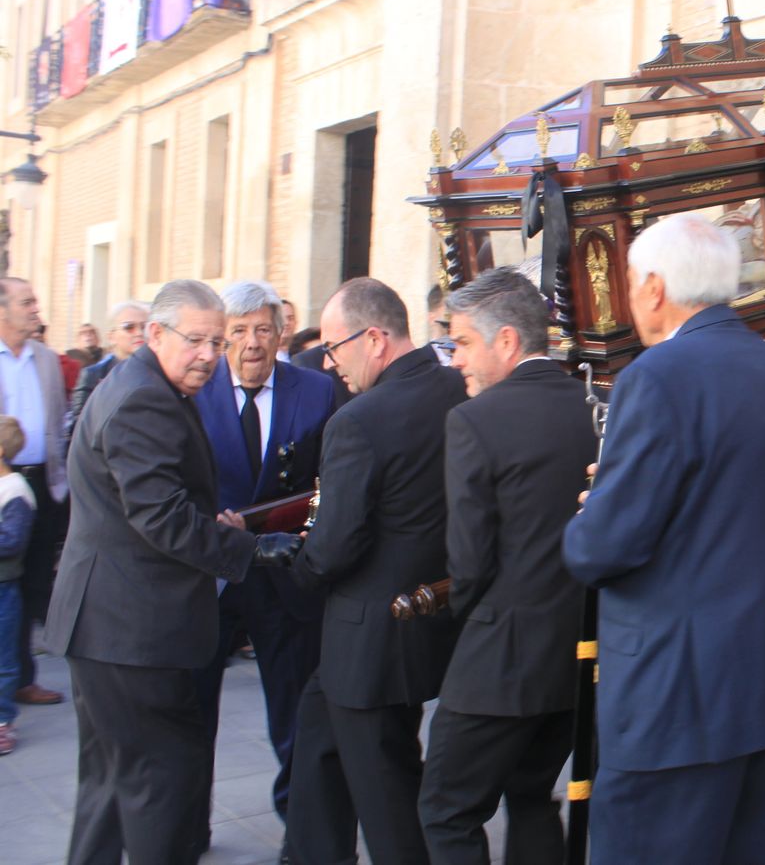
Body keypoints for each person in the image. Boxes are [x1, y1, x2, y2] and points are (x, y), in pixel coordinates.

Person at [564, 214, 765, 865]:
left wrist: (595, 509)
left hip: (675, 697)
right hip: (762, 680)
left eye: (628, 280)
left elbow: (601, 548)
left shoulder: (657, 376)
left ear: (653, 287)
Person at [44, 279, 301, 865]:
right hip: (129, 631)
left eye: (217, 342)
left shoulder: (146, 385)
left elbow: (144, 501)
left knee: (111, 785)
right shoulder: (144, 398)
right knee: (161, 782)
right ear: (155, 333)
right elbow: (158, 517)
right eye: (198, 341)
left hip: (111, 626)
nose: (211, 355)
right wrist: (252, 550)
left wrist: (214, 525)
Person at [285, 277, 466, 865]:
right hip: (426, 615)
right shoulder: (457, 388)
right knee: (318, 737)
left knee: (386, 792)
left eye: (335, 347)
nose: (329, 362)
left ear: (376, 338)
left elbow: (334, 545)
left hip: (368, 640)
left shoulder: (358, 420)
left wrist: (291, 569)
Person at [418, 269, 596, 864]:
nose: (454, 360)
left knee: (444, 809)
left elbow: (468, 563)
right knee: (531, 796)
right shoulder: (596, 406)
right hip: (575, 653)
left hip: (499, 661)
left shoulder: (475, 421)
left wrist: (470, 621)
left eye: (463, 343)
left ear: (507, 343)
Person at [193, 281, 337, 838]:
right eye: (238, 331)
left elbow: (330, 481)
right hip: (212, 574)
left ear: (281, 333)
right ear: (222, 338)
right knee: (194, 708)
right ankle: (188, 826)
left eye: (262, 330)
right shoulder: (194, 391)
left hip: (283, 576)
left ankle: (299, 831)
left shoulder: (317, 391)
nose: (252, 344)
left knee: (295, 715)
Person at [0, 278, 70, 706]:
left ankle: (22, 677)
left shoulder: (46, 359)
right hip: (3, 485)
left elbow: (60, 420)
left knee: (32, 582)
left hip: (43, 483)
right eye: (26, 302)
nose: (35, 309)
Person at [0, 416, 36, 756]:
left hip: (4, 589)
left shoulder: (16, 492)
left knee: (4, 660)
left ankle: (2, 721)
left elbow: (11, 542)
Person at [66, 300, 149, 445]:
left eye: (144, 327)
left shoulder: (161, 372)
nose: (139, 333)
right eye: (129, 327)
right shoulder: (94, 374)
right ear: (112, 336)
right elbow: (79, 426)